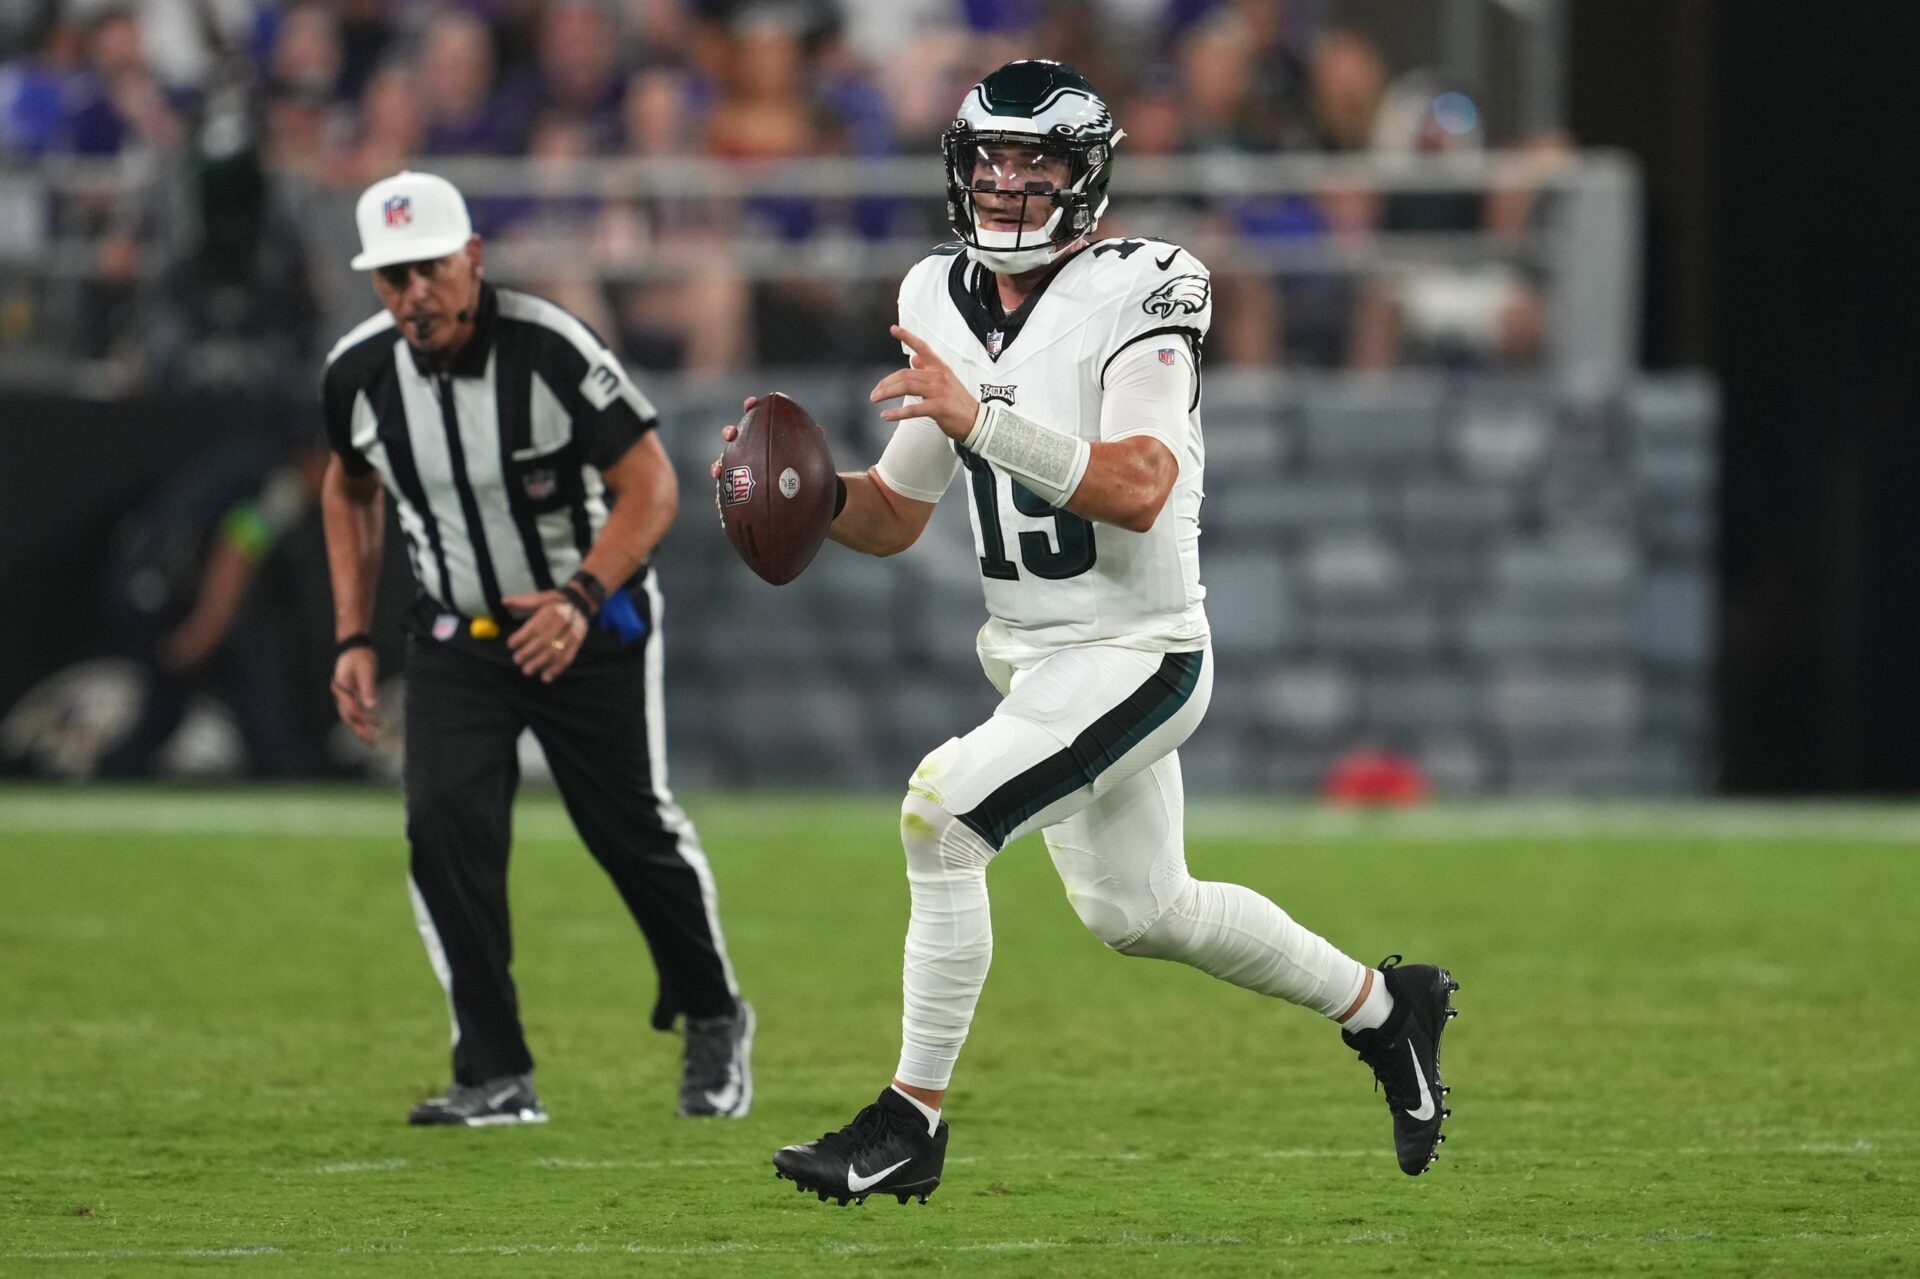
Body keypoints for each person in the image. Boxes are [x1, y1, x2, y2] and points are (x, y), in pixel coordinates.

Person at [722, 61, 1457, 1203]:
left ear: (1087, 178)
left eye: (1038, 164)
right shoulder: (936, 295)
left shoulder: (1147, 285)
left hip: (1139, 652)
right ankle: (1384, 1007)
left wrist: (988, 419)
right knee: (1143, 912)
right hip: (1035, 659)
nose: (1010, 185)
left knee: (943, 816)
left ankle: (909, 1123)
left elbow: (1141, 485)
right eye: (991, 162)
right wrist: (806, 497)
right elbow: (898, 510)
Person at [320, 170, 752, 1127]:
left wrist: (580, 594)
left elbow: (652, 486)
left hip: (586, 627)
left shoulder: (550, 348)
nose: (412, 294)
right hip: (453, 634)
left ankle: (714, 1014)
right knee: (442, 828)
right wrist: (352, 630)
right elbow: (348, 485)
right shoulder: (358, 372)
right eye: (391, 278)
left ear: (471, 259)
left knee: (629, 833)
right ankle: (495, 1070)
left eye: (427, 269)